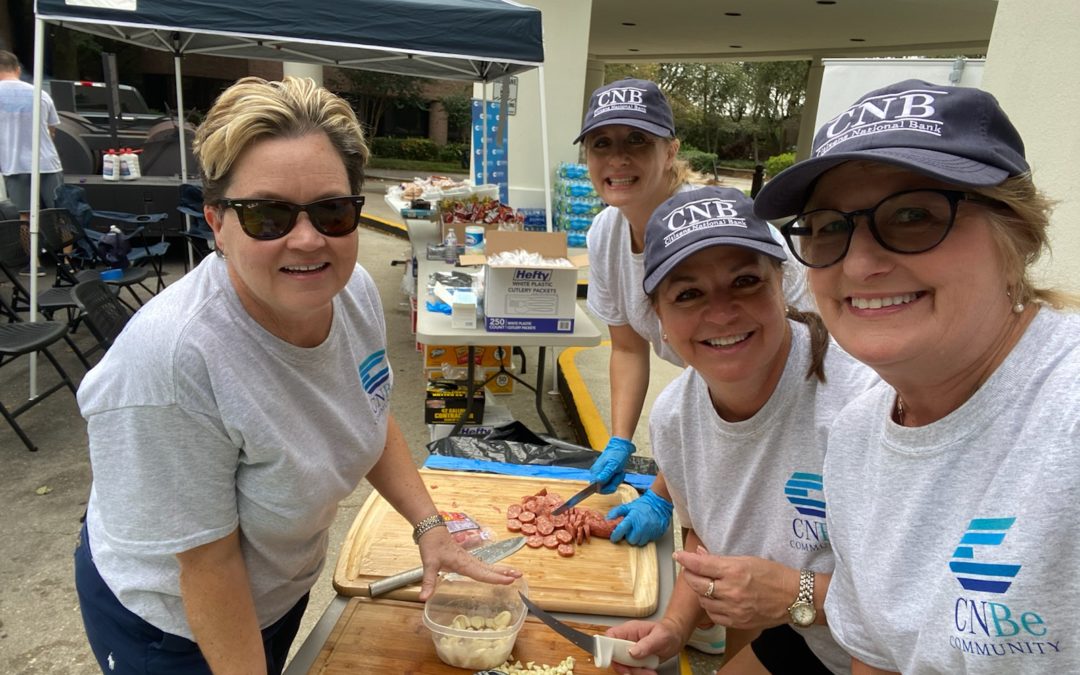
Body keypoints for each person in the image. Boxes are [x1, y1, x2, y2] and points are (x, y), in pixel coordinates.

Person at [73, 76, 520, 675]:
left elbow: (365, 408)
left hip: (277, 589)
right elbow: (207, 565)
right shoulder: (174, 361)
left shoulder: (353, 291)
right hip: (175, 625)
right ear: (216, 222)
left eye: (333, 211)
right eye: (267, 214)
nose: (307, 239)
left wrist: (429, 527)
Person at [754, 79, 1080, 674]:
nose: (858, 263)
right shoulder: (856, 440)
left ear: (1019, 235)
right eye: (828, 226)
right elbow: (876, 658)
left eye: (912, 215)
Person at [577, 78, 810, 653]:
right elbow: (630, 347)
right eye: (601, 144)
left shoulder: (733, 227)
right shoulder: (607, 233)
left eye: (637, 139)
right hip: (714, 395)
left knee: (770, 548)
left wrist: (664, 490)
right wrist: (622, 440)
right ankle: (711, 618)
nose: (619, 158)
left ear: (671, 149)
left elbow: (757, 371)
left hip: (783, 408)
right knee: (725, 544)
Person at [604, 186, 877, 674]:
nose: (722, 312)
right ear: (659, 320)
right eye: (688, 293)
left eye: (746, 281)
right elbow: (703, 544)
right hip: (811, 642)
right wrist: (673, 629)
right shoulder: (674, 419)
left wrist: (799, 593)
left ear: (782, 285)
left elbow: (925, 605)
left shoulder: (864, 402)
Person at [0, 50, 64, 216]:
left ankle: (28, 243)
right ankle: (66, 243)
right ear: (18, 69)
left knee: (24, 216)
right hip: (47, 163)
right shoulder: (40, 94)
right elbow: (52, 131)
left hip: (14, 166)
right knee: (60, 215)